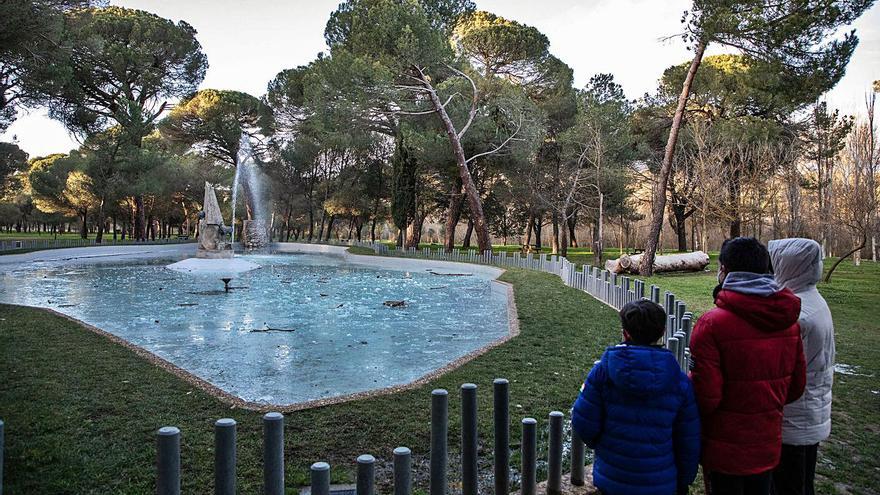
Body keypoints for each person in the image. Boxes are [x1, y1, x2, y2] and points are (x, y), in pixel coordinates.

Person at [690, 237, 807, 495]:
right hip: (767, 444)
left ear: (725, 270)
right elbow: (796, 387)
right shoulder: (790, 323)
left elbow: (706, 397)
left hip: (724, 449)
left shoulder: (711, 325)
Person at [572, 299, 700, 495]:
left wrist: (605, 445)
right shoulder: (680, 381)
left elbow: (583, 422)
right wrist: (683, 480)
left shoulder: (602, 372)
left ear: (625, 332)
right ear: (663, 332)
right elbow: (688, 439)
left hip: (613, 478)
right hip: (661, 482)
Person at [768, 238, 835, 495]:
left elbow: (780, 365)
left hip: (794, 417)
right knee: (801, 481)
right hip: (809, 412)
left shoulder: (797, 311)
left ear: (788, 265)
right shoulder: (810, 300)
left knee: (789, 484)